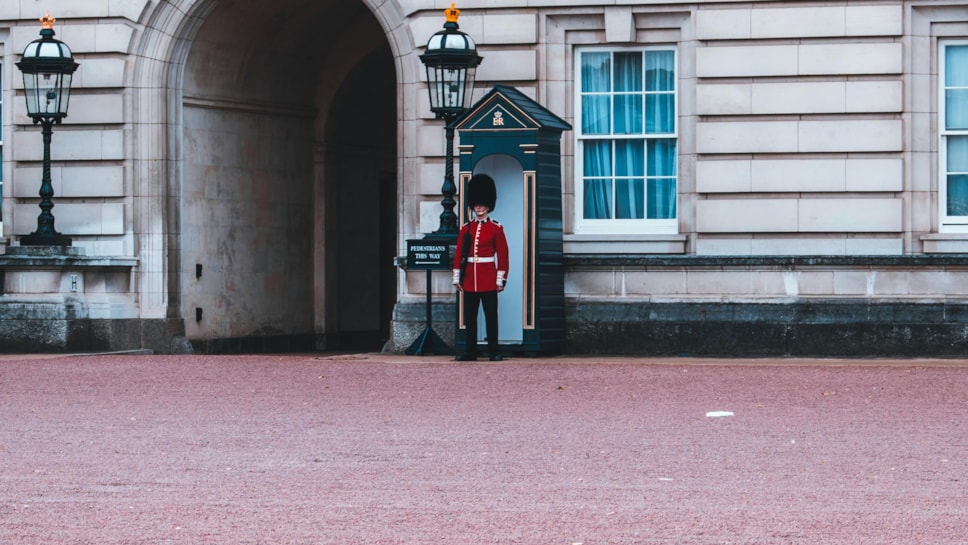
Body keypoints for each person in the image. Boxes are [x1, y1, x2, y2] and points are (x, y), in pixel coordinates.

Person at [452, 174, 509, 361]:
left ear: (488, 205)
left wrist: (500, 279)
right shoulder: (466, 228)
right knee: (470, 318)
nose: (478, 206)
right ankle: (471, 351)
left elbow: (503, 255)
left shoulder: (495, 228)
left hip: (487, 278)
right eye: (476, 203)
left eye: (482, 203)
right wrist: (457, 277)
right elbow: (460, 253)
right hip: (469, 278)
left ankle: (494, 351)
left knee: (491, 317)